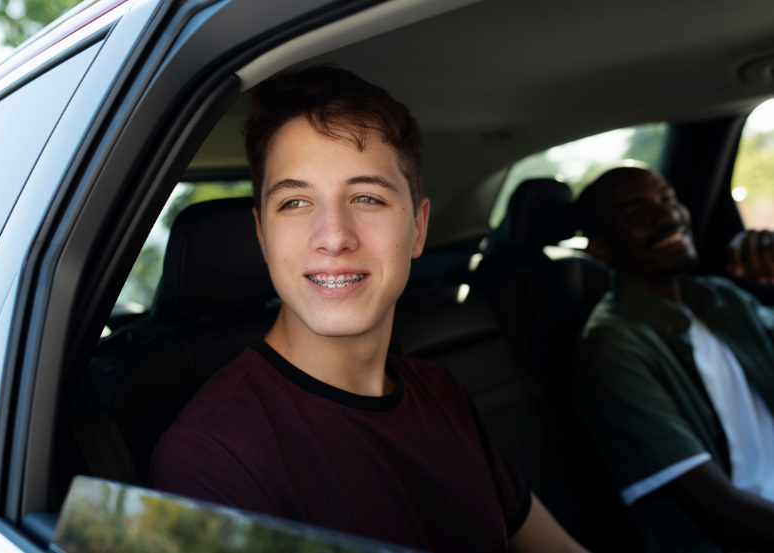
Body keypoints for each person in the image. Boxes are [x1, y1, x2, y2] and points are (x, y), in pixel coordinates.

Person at [148, 66, 588, 553]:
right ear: (262, 236)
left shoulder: (440, 390)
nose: (334, 237)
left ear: (418, 229)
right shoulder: (213, 459)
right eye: (295, 202)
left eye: (366, 197)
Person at [572, 163, 774, 553]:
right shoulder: (611, 348)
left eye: (667, 200)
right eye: (638, 214)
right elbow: (724, 513)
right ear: (601, 248)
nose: (668, 216)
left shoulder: (717, 298)